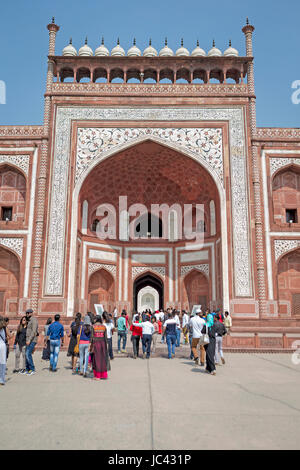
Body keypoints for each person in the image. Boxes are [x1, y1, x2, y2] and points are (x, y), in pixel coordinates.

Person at [90, 315, 110, 380]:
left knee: (96, 360)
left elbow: (92, 338)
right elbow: (106, 338)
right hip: (103, 344)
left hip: (96, 344)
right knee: (102, 359)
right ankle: (103, 375)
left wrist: (91, 346)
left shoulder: (93, 327)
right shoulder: (104, 327)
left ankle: (97, 376)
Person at [25, 309, 39, 375]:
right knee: (26, 354)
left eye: (28, 313)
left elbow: (33, 331)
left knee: (28, 354)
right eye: (26, 313)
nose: (27, 314)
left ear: (31, 313)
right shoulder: (29, 320)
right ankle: (27, 369)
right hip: (28, 339)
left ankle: (32, 369)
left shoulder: (34, 320)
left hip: (32, 340)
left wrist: (29, 340)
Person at [0, 316, 7, 385]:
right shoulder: (3, 328)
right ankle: (1, 380)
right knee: (2, 363)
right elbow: (4, 338)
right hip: (2, 346)